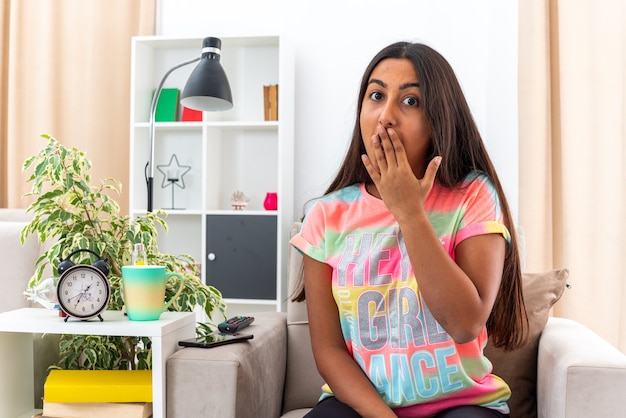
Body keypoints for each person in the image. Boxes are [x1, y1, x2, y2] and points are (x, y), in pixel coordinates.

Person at [289, 41, 528, 418]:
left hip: (463, 405)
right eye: (376, 95)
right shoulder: (326, 214)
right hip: (364, 407)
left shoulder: (473, 195)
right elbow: (329, 352)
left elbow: (466, 324)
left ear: (439, 116)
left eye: (411, 101)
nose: (386, 115)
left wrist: (409, 212)